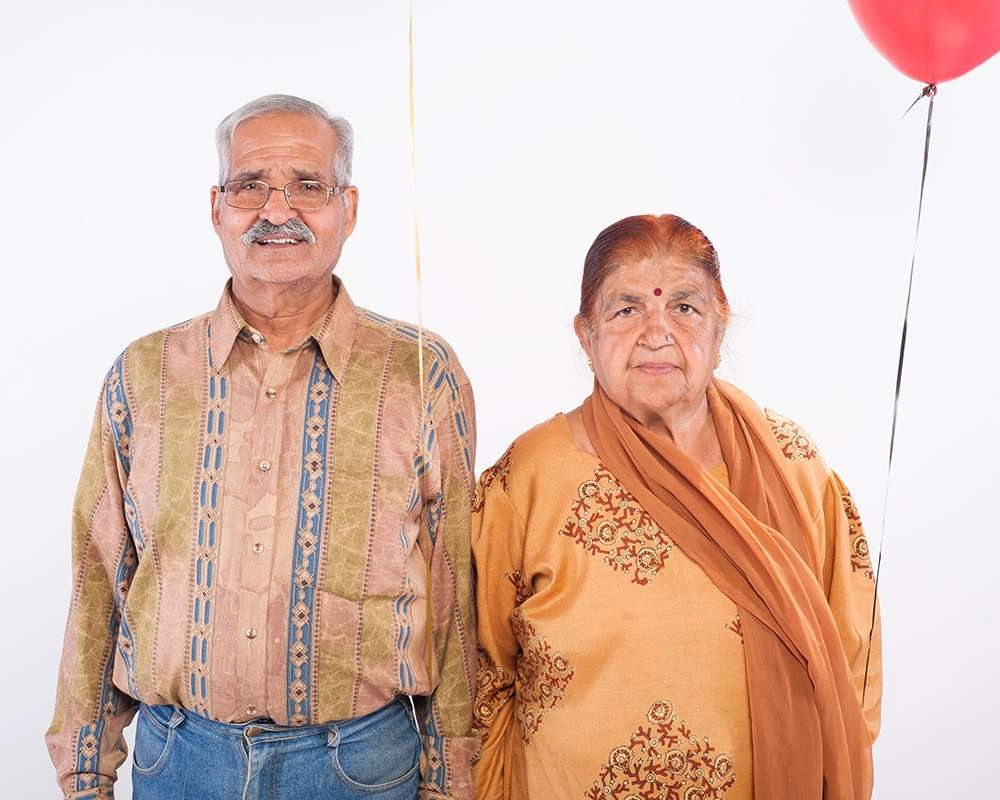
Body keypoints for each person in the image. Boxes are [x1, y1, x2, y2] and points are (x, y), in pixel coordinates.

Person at [46, 94, 477, 800]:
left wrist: (452, 777)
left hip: (361, 767)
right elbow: (100, 579)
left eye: (308, 185)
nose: (277, 209)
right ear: (217, 208)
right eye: (251, 186)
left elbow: (457, 580)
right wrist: (84, 775)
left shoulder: (421, 372)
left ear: (349, 207)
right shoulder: (143, 374)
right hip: (179, 762)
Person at [472, 214, 881, 799]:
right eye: (626, 309)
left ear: (720, 328)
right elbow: (479, 678)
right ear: (585, 336)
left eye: (684, 308)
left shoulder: (792, 466)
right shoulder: (531, 475)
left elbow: (854, 660)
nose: (656, 332)